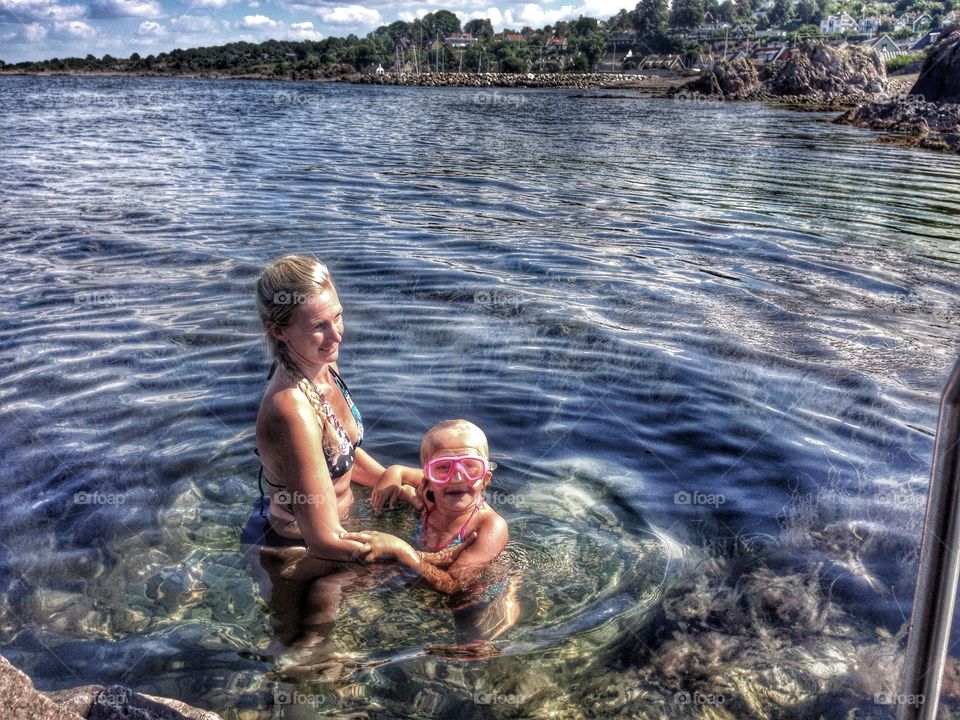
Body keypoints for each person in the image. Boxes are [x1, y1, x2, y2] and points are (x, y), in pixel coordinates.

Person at [243, 255, 471, 671]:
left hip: (337, 529)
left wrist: (408, 477)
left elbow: (342, 453)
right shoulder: (289, 407)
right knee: (306, 665)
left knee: (455, 548)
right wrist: (400, 550)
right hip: (294, 552)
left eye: (338, 318)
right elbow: (324, 540)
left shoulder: (322, 362)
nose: (336, 336)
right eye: (319, 326)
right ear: (278, 330)